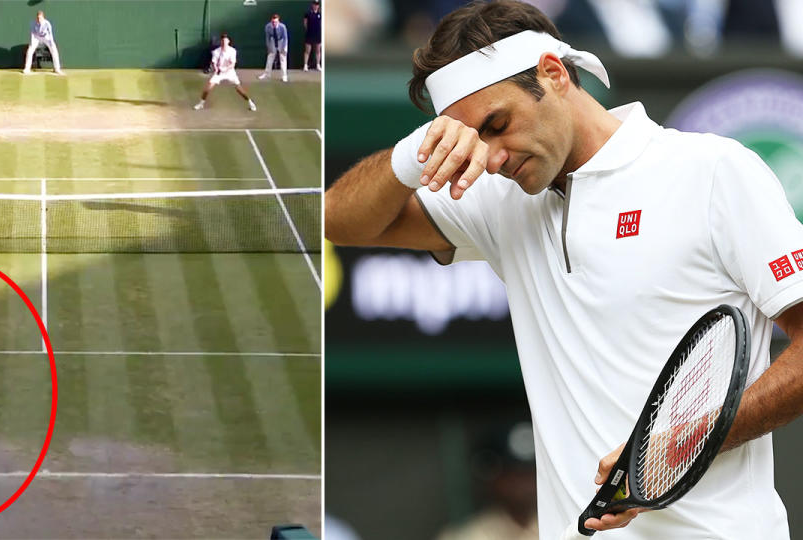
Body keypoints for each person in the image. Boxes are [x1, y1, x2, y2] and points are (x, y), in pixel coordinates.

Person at [325, 1, 802, 538]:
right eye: (475, 138)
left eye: (498, 124)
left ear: (554, 73)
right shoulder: (496, 199)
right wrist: (411, 157)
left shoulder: (713, 171)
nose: (494, 156)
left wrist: (680, 444)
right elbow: (341, 222)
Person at [194, 33, 257, 111]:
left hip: (230, 72)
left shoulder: (232, 51)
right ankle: (201, 104)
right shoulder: (216, 51)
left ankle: (250, 103)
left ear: (228, 42)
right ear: (221, 42)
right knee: (208, 88)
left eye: (225, 41)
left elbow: (232, 64)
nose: (224, 43)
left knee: (239, 89)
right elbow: (214, 62)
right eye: (222, 41)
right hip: (219, 73)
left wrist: (225, 69)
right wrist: (216, 68)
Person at [23, 10, 63, 75]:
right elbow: (32, 34)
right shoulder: (33, 23)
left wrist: (51, 42)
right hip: (37, 37)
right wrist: (32, 43)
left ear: (43, 17)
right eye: (38, 18)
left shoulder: (47, 23)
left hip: (46, 38)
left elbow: (50, 34)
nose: (39, 19)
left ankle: (57, 69)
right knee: (30, 50)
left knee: (54, 50)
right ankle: (27, 68)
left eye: (40, 18)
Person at [259, 14, 289, 82]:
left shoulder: (282, 27)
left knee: (283, 58)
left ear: (278, 21)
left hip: (281, 41)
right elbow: (267, 38)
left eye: (276, 22)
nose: (274, 23)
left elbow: (285, 38)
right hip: (273, 40)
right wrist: (269, 47)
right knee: (270, 57)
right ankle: (267, 74)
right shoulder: (268, 27)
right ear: (271, 21)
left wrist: (283, 48)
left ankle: (284, 76)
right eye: (273, 22)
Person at [303, 1, 322, 71]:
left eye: (317, 4)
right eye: (314, 4)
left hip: (318, 34)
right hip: (310, 34)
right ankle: (305, 65)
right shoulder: (308, 13)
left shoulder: (320, 14)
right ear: (312, 5)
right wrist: (309, 31)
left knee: (318, 50)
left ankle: (318, 65)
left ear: (318, 6)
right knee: (307, 51)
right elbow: (305, 24)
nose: (316, 6)